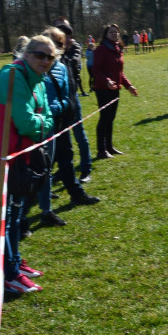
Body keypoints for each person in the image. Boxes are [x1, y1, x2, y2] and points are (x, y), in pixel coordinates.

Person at [0, 35, 55, 293]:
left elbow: (48, 117)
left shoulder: (37, 80)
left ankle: (13, 262)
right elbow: (29, 124)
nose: (45, 61)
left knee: (14, 216)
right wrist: (40, 123)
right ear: (26, 54)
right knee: (2, 218)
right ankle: (8, 274)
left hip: (16, 157)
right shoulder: (13, 77)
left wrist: (40, 123)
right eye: (39, 55)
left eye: (50, 57)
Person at [44, 26, 100, 211]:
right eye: (59, 42)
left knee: (66, 157)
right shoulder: (40, 67)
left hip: (61, 122)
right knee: (41, 166)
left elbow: (68, 91)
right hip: (43, 127)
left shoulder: (62, 63)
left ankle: (76, 194)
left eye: (64, 42)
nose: (64, 45)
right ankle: (20, 218)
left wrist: (67, 109)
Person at [54, 18, 93, 182]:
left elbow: (72, 63)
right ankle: (63, 171)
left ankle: (86, 169)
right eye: (65, 36)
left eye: (70, 36)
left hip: (72, 97)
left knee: (79, 135)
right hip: (58, 100)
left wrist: (58, 54)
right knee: (63, 139)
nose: (69, 39)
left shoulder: (74, 48)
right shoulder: (54, 51)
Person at [93, 23, 138, 158]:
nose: (114, 34)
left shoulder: (117, 48)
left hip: (115, 89)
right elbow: (96, 70)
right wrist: (106, 81)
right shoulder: (101, 49)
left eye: (116, 32)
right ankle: (101, 150)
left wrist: (129, 86)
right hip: (103, 89)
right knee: (104, 119)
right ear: (106, 35)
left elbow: (120, 73)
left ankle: (109, 147)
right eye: (111, 32)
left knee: (110, 119)